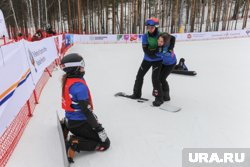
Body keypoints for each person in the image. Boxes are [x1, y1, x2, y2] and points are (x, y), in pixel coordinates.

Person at [60, 53, 110, 163]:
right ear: (74, 69)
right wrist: (98, 129)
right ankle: (75, 143)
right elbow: (86, 112)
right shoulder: (79, 87)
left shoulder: (69, 79)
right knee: (105, 143)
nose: (83, 69)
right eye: (81, 67)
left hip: (71, 120)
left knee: (95, 127)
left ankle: (67, 127)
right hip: (78, 124)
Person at [130, 18, 164, 106]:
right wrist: (154, 51)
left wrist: (157, 51)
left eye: (152, 27)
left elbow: (167, 43)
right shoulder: (145, 36)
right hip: (147, 59)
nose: (150, 29)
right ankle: (136, 94)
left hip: (158, 61)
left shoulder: (161, 35)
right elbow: (145, 49)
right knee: (139, 76)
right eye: (148, 27)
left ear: (156, 27)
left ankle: (159, 98)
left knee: (155, 79)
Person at [156, 33, 177, 101]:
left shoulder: (168, 46)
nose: (159, 42)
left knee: (162, 78)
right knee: (157, 77)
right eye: (158, 40)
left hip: (171, 64)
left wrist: (170, 48)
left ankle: (166, 95)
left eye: (161, 41)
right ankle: (159, 92)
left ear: (166, 42)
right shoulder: (159, 44)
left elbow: (172, 38)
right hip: (162, 63)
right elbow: (172, 37)